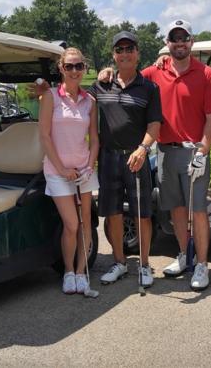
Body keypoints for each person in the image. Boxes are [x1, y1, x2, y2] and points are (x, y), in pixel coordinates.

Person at [103, 20, 211, 291]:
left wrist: (204, 150)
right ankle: (184, 255)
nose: (179, 43)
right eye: (174, 39)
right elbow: (128, 73)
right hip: (166, 151)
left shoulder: (206, 74)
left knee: (198, 210)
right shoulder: (155, 72)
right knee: (176, 209)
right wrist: (107, 71)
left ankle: (202, 264)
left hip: (194, 151)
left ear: (191, 41)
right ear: (167, 44)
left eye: (184, 38)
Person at [89, 31, 162, 288]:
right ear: (114, 55)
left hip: (136, 156)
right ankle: (119, 262)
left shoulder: (149, 88)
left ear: (137, 53)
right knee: (113, 213)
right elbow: (74, 99)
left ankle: (144, 264)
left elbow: (154, 125)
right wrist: (46, 92)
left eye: (129, 48)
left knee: (143, 213)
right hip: (108, 157)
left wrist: (143, 149)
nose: (124, 53)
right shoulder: (101, 84)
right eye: (119, 49)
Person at [38, 47, 100, 295]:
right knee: (72, 224)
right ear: (61, 68)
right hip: (57, 170)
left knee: (86, 223)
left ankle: (82, 271)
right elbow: (44, 136)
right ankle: (69, 271)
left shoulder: (90, 101)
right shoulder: (50, 96)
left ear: (84, 68)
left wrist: (90, 165)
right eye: (69, 66)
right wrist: (62, 168)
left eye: (79, 66)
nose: (75, 71)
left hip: (84, 169)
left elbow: (94, 138)